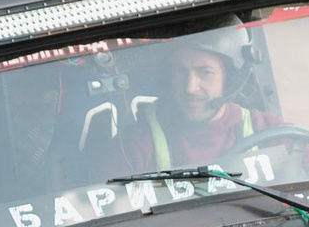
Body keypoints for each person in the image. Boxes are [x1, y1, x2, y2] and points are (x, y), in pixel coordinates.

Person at [111, 24, 285, 175]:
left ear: (230, 78)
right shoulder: (133, 146)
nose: (190, 87)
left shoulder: (269, 133)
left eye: (205, 72)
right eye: (180, 71)